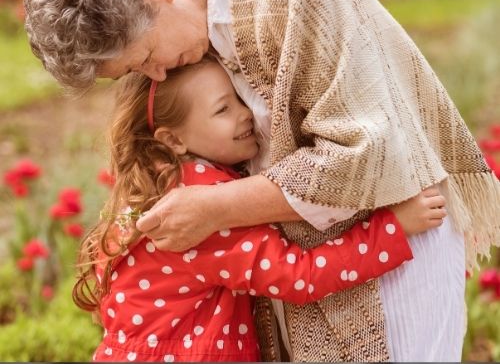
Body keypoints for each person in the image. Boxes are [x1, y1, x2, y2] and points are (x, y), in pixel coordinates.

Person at [24, 0, 499, 361]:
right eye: (136, 70)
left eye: (147, 56)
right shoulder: (189, 29)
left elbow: (361, 157)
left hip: (394, 245)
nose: (156, 74)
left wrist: (214, 209)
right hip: (308, 269)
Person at [74, 57, 445, 362]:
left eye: (238, 98)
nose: (245, 114)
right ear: (173, 139)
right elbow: (301, 276)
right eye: (223, 109)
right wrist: (393, 228)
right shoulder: (202, 210)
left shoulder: (155, 186)